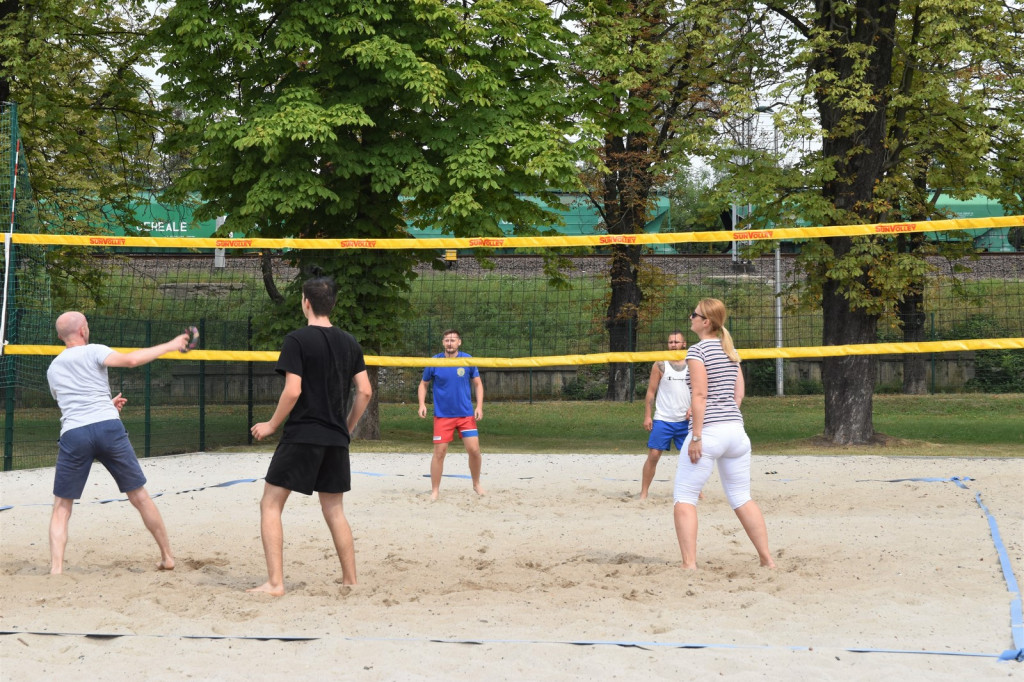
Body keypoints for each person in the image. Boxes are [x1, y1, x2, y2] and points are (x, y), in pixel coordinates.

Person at [248, 277, 372, 596]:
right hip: (334, 438)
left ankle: (276, 583)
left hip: (303, 433)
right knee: (334, 510)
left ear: (305, 302)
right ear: (332, 304)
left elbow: (293, 391)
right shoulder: (350, 342)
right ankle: (350, 580)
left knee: (271, 504)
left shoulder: (297, 339)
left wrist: (272, 424)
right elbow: (366, 391)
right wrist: (346, 426)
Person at [46, 311, 190, 574]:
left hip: (75, 432)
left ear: (59, 337)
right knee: (140, 497)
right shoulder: (94, 350)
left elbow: (72, 404)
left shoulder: (53, 368)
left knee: (62, 506)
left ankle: (56, 570)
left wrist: (106, 406)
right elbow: (132, 360)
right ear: (83, 330)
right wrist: (171, 345)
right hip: (107, 428)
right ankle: (167, 557)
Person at [673, 298, 775, 570]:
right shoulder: (730, 349)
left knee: (684, 497)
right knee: (742, 497)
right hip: (736, 432)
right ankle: (767, 560)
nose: (690, 318)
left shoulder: (697, 352)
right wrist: (719, 413)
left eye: (693, 314)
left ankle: (690, 565)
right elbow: (737, 394)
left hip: (710, 433)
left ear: (705, 322)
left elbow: (701, 394)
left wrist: (696, 435)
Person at [417, 329, 485, 500]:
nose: (449, 343)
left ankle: (476, 484)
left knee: (474, 450)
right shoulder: (435, 361)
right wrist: (421, 404)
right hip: (443, 415)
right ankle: (435, 491)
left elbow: (478, 384)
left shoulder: (467, 359)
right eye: (447, 340)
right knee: (439, 453)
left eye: (453, 340)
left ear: (459, 342)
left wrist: (479, 406)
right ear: (443, 342)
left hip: (465, 414)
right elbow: (423, 384)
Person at [640, 331, 691, 500]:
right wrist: (648, 416)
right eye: (670, 342)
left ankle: (697, 491)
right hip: (663, 418)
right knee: (654, 455)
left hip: (685, 420)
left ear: (684, 344)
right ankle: (644, 492)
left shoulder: (693, 363)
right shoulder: (660, 364)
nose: (673, 344)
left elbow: (700, 391)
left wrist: (694, 409)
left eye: (676, 342)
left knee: (692, 458)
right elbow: (651, 392)